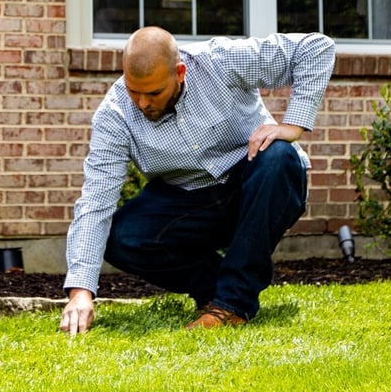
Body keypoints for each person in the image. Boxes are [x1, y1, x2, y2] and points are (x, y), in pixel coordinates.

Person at [59, 27, 335, 334]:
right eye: (133, 91)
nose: (142, 103)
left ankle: (231, 305)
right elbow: (95, 201)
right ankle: (218, 287)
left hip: (260, 184)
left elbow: (316, 48)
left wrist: (293, 125)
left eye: (153, 93)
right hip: (192, 203)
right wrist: (81, 292)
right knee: (119, 236)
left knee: (280, 155)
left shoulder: (220, 61)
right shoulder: (114, 115)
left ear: (180, 72)